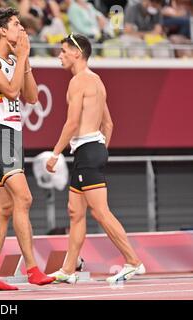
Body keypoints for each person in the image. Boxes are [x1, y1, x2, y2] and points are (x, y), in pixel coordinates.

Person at [46, 33, 145, 284]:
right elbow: (108, 123)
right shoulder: (97, 81)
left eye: (63, 51)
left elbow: (72, 123)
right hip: (90, 151)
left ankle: (133, 261)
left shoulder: (79, 81)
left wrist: (55, 153)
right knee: (74, 212)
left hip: (87, 152)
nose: (59, 56)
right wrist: (100, 149)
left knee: (100, 212)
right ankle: (68, 269)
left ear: (76, 53)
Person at [0, 8, 55, 291]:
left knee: (4, 208)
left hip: (14, 136)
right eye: (16, 25)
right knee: (25, 198)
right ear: (2, 31)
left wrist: (25, 60)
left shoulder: (14, 59)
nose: (22, 29)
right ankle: (33, 268)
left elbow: (31, 97)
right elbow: (10, 92)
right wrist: (21, 57)